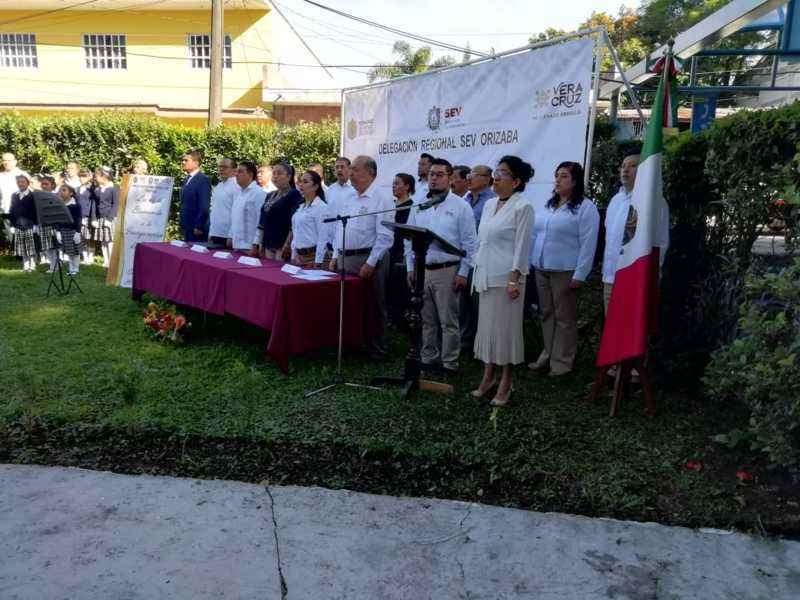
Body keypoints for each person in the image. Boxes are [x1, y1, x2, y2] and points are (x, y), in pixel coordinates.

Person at [471, 156, 535, 406]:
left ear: (516, 181)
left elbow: (522, 247)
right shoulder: (489, 204)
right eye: (495, 172)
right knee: (488, 329)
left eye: (503, 173)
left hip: (507, 279)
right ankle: (489, 377)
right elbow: (482, 241)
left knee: (505, 332)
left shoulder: (523, 207)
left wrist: (513, 279)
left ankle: (506, 381)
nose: (496, 178)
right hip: (485, 276)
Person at [405, 158, 477, 374]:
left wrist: (463, 272)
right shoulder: (420, 204)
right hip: (422, 269)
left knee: (448, 321)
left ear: (450, 178)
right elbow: (409, 238)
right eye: (431, 175)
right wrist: (410, 268)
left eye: (439, 175)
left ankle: (449, 363)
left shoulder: (461, 206)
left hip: (448, 270)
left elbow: (470, 244)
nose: (434, 179)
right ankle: (428, 358)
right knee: (426, 319)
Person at [528, 161, 600, 376]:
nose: (558, 180)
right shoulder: (549, 205)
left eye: (564, 176)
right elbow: (535, 234)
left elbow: (589, 243)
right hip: (541, 268)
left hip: (565, 270)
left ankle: (562, 362)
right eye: (557, 175)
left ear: (575, 181)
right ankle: (547, 355)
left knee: (565, 318)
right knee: (546, 314)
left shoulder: (585, 207)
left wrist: (580, 274)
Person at [327, 155, 394, 359]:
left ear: (370, 173)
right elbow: (340, 228)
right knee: (348, 304)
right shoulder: (350, 197)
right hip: (345, 257)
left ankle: (377, 348)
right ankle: (350, 344)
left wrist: (371, 263)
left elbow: (385, 236)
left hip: (368, 257)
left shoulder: (382, 198)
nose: (351, 173)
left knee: (374, 305)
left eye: (355, 169)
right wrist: (335, 255)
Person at [459, 164, 496, 354]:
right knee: (462, 303)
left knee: (479, 304)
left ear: (487, 179)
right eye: (469, 174)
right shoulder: (465, 200)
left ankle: (483, 346)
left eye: (473, 174)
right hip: (463, 258)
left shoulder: (493, 201)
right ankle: (465, 343)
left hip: (482, 260)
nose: (469, 178)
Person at [252, 163, 301, 260]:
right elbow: (262, 221)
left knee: (279, 268)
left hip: (282, 243)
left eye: (279, 173)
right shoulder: (270, 195)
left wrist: (288, 244)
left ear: (289, 176)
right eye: (273, 173)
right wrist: (258, 242)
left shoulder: (294, 194)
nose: (275, 176)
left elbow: (294, 222)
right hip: (268, 241)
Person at [387, 173, 415, 329]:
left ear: (407, 186)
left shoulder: (411, 207)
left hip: (401, 251)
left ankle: (401, 321)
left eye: (397, 183)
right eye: (393, 183)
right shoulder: (391, 205)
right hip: (388, 250)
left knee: (400, 287)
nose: (394, 186)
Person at [291, 170, 328, 267]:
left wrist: (318, 261)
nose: (301, 185)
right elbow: (296, 232)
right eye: (300, 181)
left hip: (312, 257)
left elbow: (323, 237)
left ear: (315, 186)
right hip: (298, 257)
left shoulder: (321, 207)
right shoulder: (300, 207)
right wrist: (293, 254)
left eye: (305, 182)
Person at [229, 161, 266, 252]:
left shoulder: (258, 193)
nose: (236, 175)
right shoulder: (238, 193)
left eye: (240, 172)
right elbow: (234, 217)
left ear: (250, 175)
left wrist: (256, 243)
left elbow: (261, 220)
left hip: (250, 246)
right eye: (236, 172)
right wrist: (230, 236)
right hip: (236, 245)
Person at [179, 149, 211, 242]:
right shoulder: (187, 179)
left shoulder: (203, 180)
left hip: (196, 230)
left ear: (196, 163)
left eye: (186, 160)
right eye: (182, 160)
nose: (183, 162)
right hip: (187, 227)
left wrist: (199, 226)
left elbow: (204, 206)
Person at [9, 173, 37, 272]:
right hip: (18, 225)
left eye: (23, 182)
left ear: (28, 183)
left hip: (29, 225)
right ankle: (25, 266)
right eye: (19, 182)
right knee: (22, 247)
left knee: (30, 247)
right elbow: (12, 210)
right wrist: (12, 225)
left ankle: (32, 266)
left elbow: (35, 211)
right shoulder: (14, 195)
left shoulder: (32, 195)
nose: (20, 184)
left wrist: (36, 225)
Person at [208, 157, 238, 246]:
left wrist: (231, 235)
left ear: (234, 170)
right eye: (220, 166)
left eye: (225, 167)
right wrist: (211, 232)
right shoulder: (218, 186)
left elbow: (237, 213)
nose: (221, 169)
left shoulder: (237, 187)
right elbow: (213, 211)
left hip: (227, 236)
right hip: (215, 233)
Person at [94, 166, 119, 268]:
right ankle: (106, 260)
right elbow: (95, 204)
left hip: (110, 218)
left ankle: (111, 261)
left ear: (104, 176)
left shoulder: (114, 188)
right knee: (103, 240)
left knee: (110, 240)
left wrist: (109, 219)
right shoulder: (97, 189)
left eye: (97, 176)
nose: (95, 178)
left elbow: (116, 204)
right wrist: (94, 218)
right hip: (101, 218)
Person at [55, 184, 83, 276]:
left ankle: (76, 268)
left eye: (64, 190)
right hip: (63, 230)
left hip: (73, 231)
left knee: (75, 251)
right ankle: (71, 268)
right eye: (60, 190)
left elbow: (79, 219)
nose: (61, 192)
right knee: (69, 251)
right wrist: (58, 231)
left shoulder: (76, 205)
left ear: (71, 193)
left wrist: (78, 232)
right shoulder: (59, 205)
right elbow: (58, 219)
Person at [77, 169, 96, 264]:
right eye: (80, 176)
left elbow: (93, 203)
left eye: (84, 176)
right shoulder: (77, 188)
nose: (82, 178)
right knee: (82, 237)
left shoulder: (92, 188)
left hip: (88, 216)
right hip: (79, 216)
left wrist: (93, 217)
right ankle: (85, 257)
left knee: (90, 237)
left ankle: (91, 256)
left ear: (89, 177)